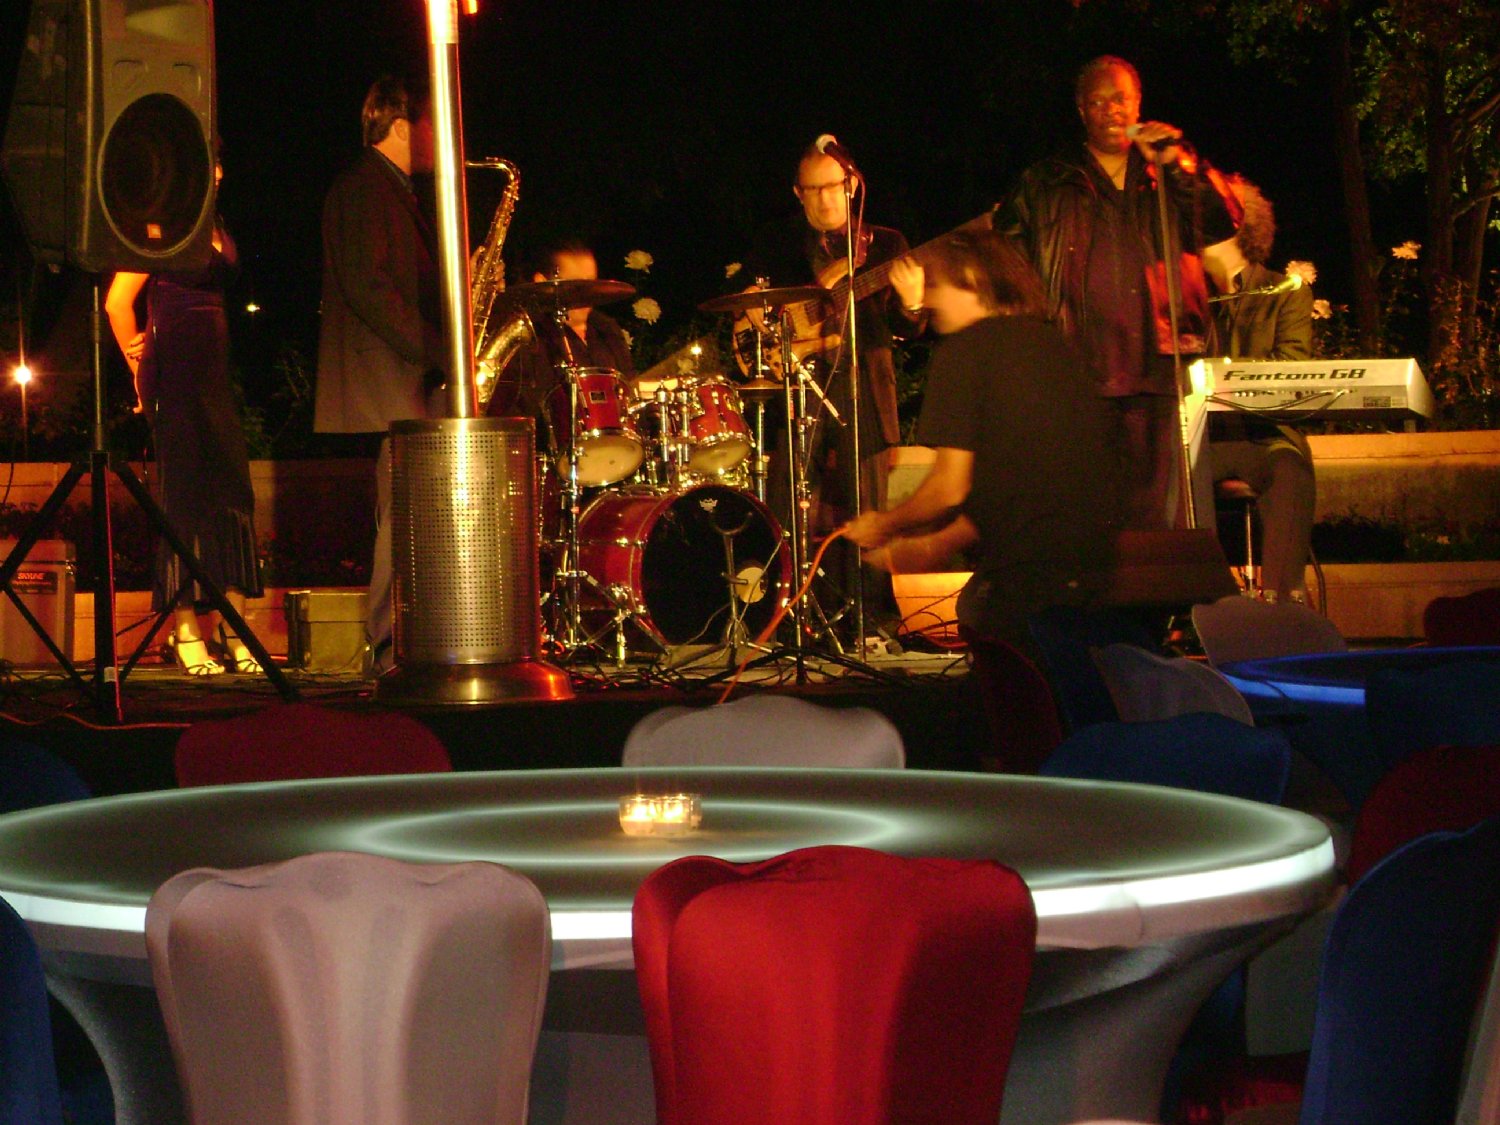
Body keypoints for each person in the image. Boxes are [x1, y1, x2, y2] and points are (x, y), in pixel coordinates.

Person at [842, 229, 1125, 655]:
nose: (930, 301)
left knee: (975, 615)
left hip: (1030, 579)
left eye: (937, 286)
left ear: (973, 280)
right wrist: (930, 546)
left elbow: (949, 488)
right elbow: (1020, 489)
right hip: (1100, 565)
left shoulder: (965, 351)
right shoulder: (1056, 345)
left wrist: (884, 524)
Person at [997, 55, 1241, 530]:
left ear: (1138, 104)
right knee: (1085, 517)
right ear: (1081, 110)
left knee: (1160, 523)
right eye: (1097, 101)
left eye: (1120, 99)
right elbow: (1007, 270)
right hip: (1076, 370)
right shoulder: (1044, 181)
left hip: (1160, 368)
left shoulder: (1168, 171)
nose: (1110, 110)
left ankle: (1157, 582)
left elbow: (1223, 220)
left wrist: (1177, 165)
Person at [740, 140, 925, 631]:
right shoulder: (778, 243)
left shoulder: (884, 245)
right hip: (800, 380)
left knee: (868, 500)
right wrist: (765, 315)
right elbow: (750, 304)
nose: (825, 199)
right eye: (813, 189)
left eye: (833, 187)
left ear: (852, 186)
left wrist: (912, 302)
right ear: (797, 193)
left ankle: (870, 618)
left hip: (865, 378)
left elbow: (907, 327)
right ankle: (783, 612)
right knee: (788, 494)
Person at [105, 161, 263, 676]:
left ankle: (232, 628)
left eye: (219, 161)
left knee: (233, 491)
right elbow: (117, 302)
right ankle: (187, 629)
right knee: (185, 496)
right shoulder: (164, 223)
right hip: (172, 367)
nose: (215, 171)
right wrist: (136, 362)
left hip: (213, 369)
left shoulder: (216, 223)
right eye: (206, 159)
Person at [313, 75, 444, 666]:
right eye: (430, 124)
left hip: (402, 374)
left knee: (412, 511)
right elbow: (369, 286)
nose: (439, 139)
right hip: (392, 375)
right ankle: (390, 643)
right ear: (400, 126)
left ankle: (406, 639)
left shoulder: (388, 188)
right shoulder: (364, 188)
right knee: (404, 513)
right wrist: (441, 351)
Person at [1199, 174, 1316, 603]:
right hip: (1203, 440)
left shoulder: (1283, 293)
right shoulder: (1186, 299)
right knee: (1171, 478)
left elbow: (1292, 369)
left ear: (1237, 228)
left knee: (1289, 471)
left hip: (1263, 436)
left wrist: (1223, 373)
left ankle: (1281, 603)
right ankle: (1205, 602)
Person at [484, 238, 636, 445]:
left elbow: (629, 392)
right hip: (547, 453)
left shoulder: (606, 329)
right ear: (542, 282)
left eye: (591, 284)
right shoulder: (528, 337)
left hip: (615, 450)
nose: (587, 295)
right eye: (575, 286)